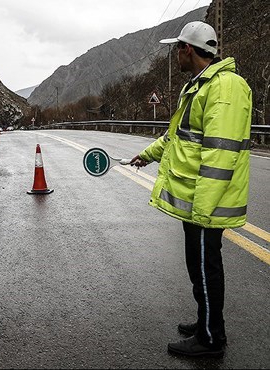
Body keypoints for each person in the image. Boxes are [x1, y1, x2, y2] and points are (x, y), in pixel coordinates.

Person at [130, 21, 252, 358]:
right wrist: (146, 155)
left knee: (205, 265)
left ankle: (211, 338)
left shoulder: (225, 88)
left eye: (176, 49)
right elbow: (177, 138)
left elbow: (220, 152)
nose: (175, 56)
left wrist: (202, 210)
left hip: (206, 204)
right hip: (198, 202)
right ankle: (206, 322)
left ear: (187, 49)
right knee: (198, 265)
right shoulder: (199, 86)